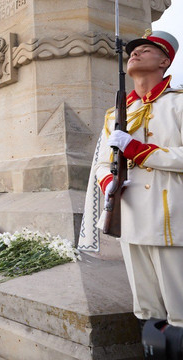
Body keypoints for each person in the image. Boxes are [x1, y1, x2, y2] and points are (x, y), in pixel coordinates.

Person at [92, 30, 183, 332]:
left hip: (172, 218)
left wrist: (138, 150)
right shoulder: (116, 114)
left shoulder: (178, 104)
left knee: (180, 308)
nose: (135, 53)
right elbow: (102, 164)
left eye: (146, 49)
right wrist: (109, 182)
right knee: (147, 310)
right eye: (133, 50)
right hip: (130, 216)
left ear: (164, 61)